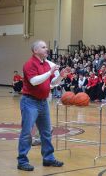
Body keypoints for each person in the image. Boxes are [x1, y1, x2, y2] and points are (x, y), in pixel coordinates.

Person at [17, 40, 70, 171]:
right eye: (44, 47)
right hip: (29, 102)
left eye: (46, 47)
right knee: (26, 133)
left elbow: (52, 84)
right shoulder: (29, 64)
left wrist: (61, 77)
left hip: (43, 102)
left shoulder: (46, 64)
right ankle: (22, 161)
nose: (47, 49)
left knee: (46, 132)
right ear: (35, 50)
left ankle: (48, 158)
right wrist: (49, 72)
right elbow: (34, 81)